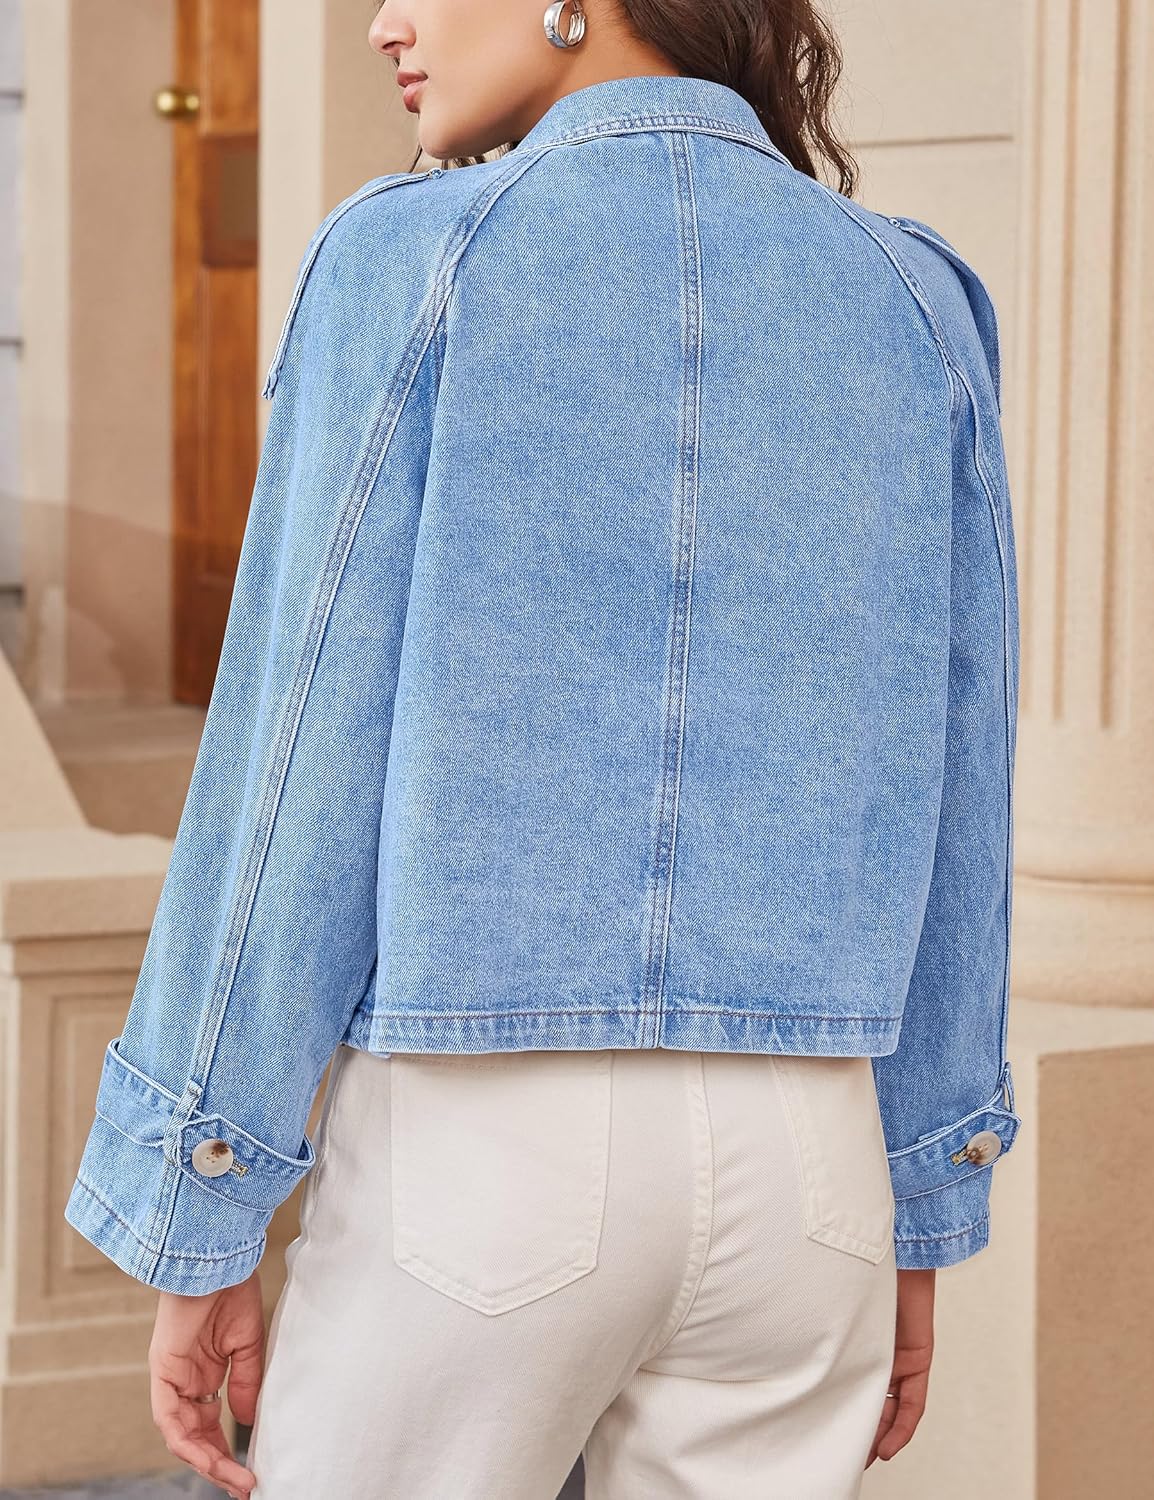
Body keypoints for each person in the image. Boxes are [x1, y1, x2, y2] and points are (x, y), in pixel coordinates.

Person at [63, 2, 1023, 1496]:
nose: (383, 22)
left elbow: (295, 750)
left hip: (484, 1155)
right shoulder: (912, 291)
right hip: (810, 1162)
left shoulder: (413, 256)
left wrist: (203, 1192)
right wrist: (917, 1204)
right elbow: (961, 784)